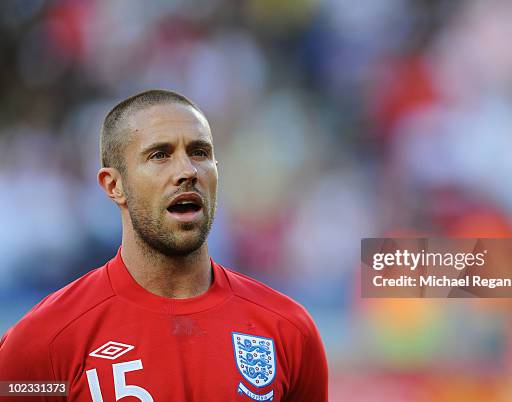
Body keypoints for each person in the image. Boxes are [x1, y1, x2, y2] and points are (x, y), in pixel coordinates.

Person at [0, 89, 328, 401]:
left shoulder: (288, 330)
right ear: (114, 185)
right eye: (160, 155)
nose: (187, 171)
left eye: (200, 153)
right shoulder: (45, 340)